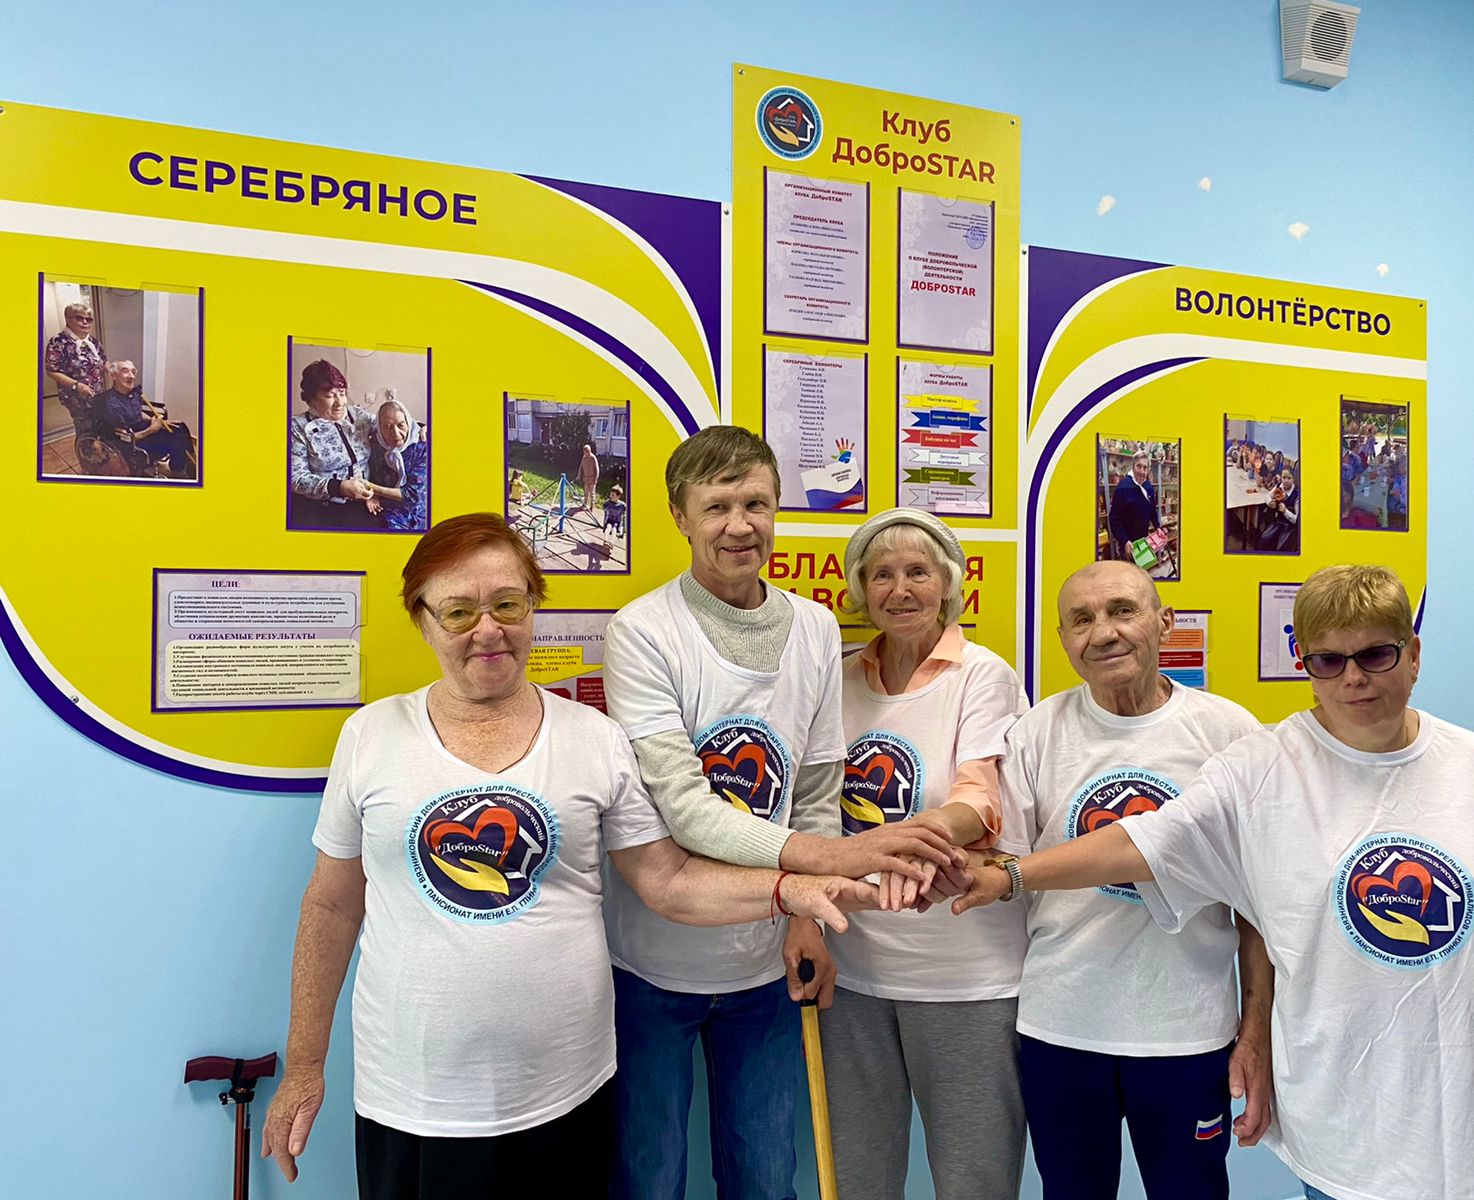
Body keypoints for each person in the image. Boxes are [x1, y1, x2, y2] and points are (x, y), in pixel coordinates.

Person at [258, 513, 879, 1199]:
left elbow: (667, 881)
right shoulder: (372, 735)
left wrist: (790, 891)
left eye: (508, 604)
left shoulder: (595, 738)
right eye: (459, 611)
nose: (488, 630)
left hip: (567, 1093)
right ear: (423, 621)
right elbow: (332, 905)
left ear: (534, 606)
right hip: (416, 1098)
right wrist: (304, 1066)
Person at [956, 564, 1474, 1200]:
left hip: (1458, 1105)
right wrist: (1007, 876)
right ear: (1306, 665)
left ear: (1412, 655)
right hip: (1325, 1111)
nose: (1354, 677)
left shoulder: (1473, 762)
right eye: (1329, 661)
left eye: (1375, 654)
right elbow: (1142, 842)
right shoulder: (1259, 767)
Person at [601, 426, 958, 1200]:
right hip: (651, 967)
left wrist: (809, 917)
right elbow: (686, 811)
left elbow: (819, 787)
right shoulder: (642, 632)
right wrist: (832, 863)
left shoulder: (816, 627)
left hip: (765, 970)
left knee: (766, 1179)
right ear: (679, 516)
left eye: (756, 504)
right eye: (717, 506)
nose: (740, 525)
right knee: (648, 1179)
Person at [981, 560, 1271, 1200]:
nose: (1104, 632)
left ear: (1165, 622)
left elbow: (1257, 908)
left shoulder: (1229, 733)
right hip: (1061, 1027)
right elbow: (1000, 873)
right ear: (1063, 639)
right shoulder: (1036, 734)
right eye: (1082, 620)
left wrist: (1256, 1030)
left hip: (1187, 1031)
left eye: (1122, 611)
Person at [821, 508, 1031, 1200]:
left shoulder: (982, 675)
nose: (900, 589)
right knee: (857, 1181)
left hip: (964, 978)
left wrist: (903, 842)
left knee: (975, 1183)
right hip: (854, 971)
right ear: (861, 590)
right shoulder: (839, 679)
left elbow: (980, 799)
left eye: (917, 572)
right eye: (882, 574)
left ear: (948, 585)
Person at [289, 359, 382, 530]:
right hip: (321, 509)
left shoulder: (357, 415)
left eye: (342, 393)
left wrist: (421, 428)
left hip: (365, 502)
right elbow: (295, 478)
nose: (340, 402)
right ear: (311, 399)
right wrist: (340, 488)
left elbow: (389, 425)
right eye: (330, 396)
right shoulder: (297, 427)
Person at [91, 360, 197, 478]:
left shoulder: (131, 393)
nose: (131, 376)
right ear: (113, 376)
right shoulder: (111, 403)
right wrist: (152, 429)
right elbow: (125, 438)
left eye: (133, 372)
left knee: (180, 427)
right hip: (131, 441)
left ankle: (191, 464)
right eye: (125, 371)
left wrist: (158, 422)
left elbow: (138, 412)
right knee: (175, 442)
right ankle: (180, 472)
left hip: (142, 428)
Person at [365, 395, 429, 532]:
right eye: (387, 427)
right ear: (380, 428)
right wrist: (371, 495)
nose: (395, 433)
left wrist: (371, 488)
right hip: (382, 506)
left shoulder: (422, 447)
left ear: (408, 422)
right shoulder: (376, 442)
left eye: (401, 425)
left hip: (413, 511)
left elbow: (413, 495)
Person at [44, 302, 107, 421]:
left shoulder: (93, 342)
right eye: (79, 318)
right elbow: (51, 371)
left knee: (98, 423)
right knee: (84, 425)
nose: (85, 322)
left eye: (89, 319)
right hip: (75, 395)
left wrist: (115, 371)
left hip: (96, 392)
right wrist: (77, 385)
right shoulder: (58, 342)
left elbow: (103, 360)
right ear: (68, 319)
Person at [1107, 452, 1160, 564]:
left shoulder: (1148, 486)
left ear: (1148, 470)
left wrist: (1157, 527)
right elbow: (1114, 519)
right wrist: (1124, 541)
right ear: (1133, 467)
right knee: (1129, 572)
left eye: (1145, 468)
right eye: (1138, 466)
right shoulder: (1123, 487)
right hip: (1128, 544)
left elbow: (1152, 510)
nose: (1142, 471)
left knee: (1141, 570)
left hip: (1143, 541)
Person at [1258, 465, 1300, 553]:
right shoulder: (1278, 487)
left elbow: (1297, 520)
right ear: (1281, 478)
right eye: (1284, 477)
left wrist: (1285, 511)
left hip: (1289, 526)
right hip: (1277, 522)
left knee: (1280, 547)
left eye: (1289, 478)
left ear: (1293, 479)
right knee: (1264, 538)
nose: (1286, 481)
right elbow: (1267, 496)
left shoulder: (1297, 495)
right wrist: (1269, 502)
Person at [579, 442, 600, 510]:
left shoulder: (593, 458)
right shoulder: (584, 458)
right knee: (586, 493)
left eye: (585, 452)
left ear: (589, 451)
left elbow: (597, 469)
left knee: (592, 493)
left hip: (592, 479)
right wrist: (579, 475)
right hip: (586, 478)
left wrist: (595, 479)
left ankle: (592, 506)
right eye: (584, 452)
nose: (584, 453)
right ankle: (584, 504)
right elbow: (581, 467)